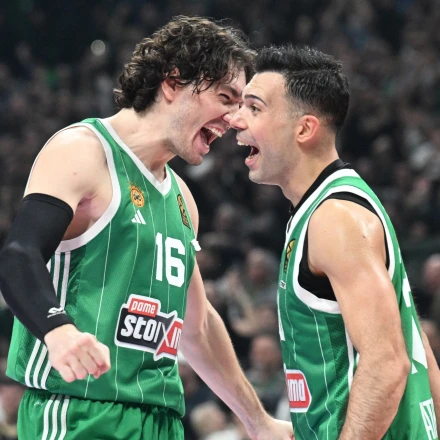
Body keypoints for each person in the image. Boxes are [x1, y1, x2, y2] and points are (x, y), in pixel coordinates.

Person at [0, 17, 293, 440]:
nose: (233, 119)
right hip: (79, 411)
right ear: (173, 84)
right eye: (225, 97)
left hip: (161, 420)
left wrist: (258, 421)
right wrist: (57, 330)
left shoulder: (183, 199)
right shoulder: (83, 151)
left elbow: (198, 327)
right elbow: (19, 255)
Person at [230, 44, 440, 439]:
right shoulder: (327, 208)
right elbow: (415, 344)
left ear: (304, 129)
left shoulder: (334, 219)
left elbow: (387, 363)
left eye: (254, 108)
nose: (235, 119)